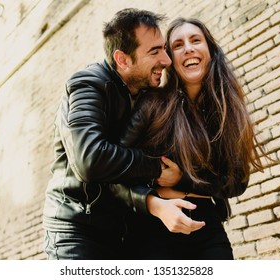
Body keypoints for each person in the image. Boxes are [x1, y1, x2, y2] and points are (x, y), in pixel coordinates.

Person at [42, 9, 204, 260]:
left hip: (122, 230)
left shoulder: (144, 94)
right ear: (123, 59)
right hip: (76, 229)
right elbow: (90, 159)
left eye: (163, 48)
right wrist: (157, 168)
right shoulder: (88, 84)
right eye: (154, 51)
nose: (167, 59)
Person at [119, 17, 266, 259]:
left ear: (209, 50)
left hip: (207, 226)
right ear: (170, 59)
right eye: (177, 45)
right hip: (153, 225)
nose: (188, 48)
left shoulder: (228, 111)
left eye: (195, 40)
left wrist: (182, 178)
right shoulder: (152, 104)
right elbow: (118, 165)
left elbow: (236, 181)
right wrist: (155, 205)